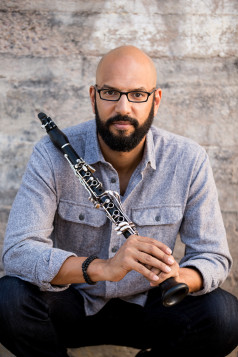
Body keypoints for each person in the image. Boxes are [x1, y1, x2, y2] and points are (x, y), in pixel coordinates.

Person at [0, 45, 237, 357]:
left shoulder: (188, 159)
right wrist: (102, 268)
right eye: (110, 92)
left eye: (138, 94)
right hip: (74, 301)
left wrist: (180, 277)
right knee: (8, 298)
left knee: (225, 316)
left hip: (152, 304)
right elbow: (18, 251)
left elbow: (213, 257)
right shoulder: (51, 153)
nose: (123, 107)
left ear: (156, 100)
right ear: (93, 96)